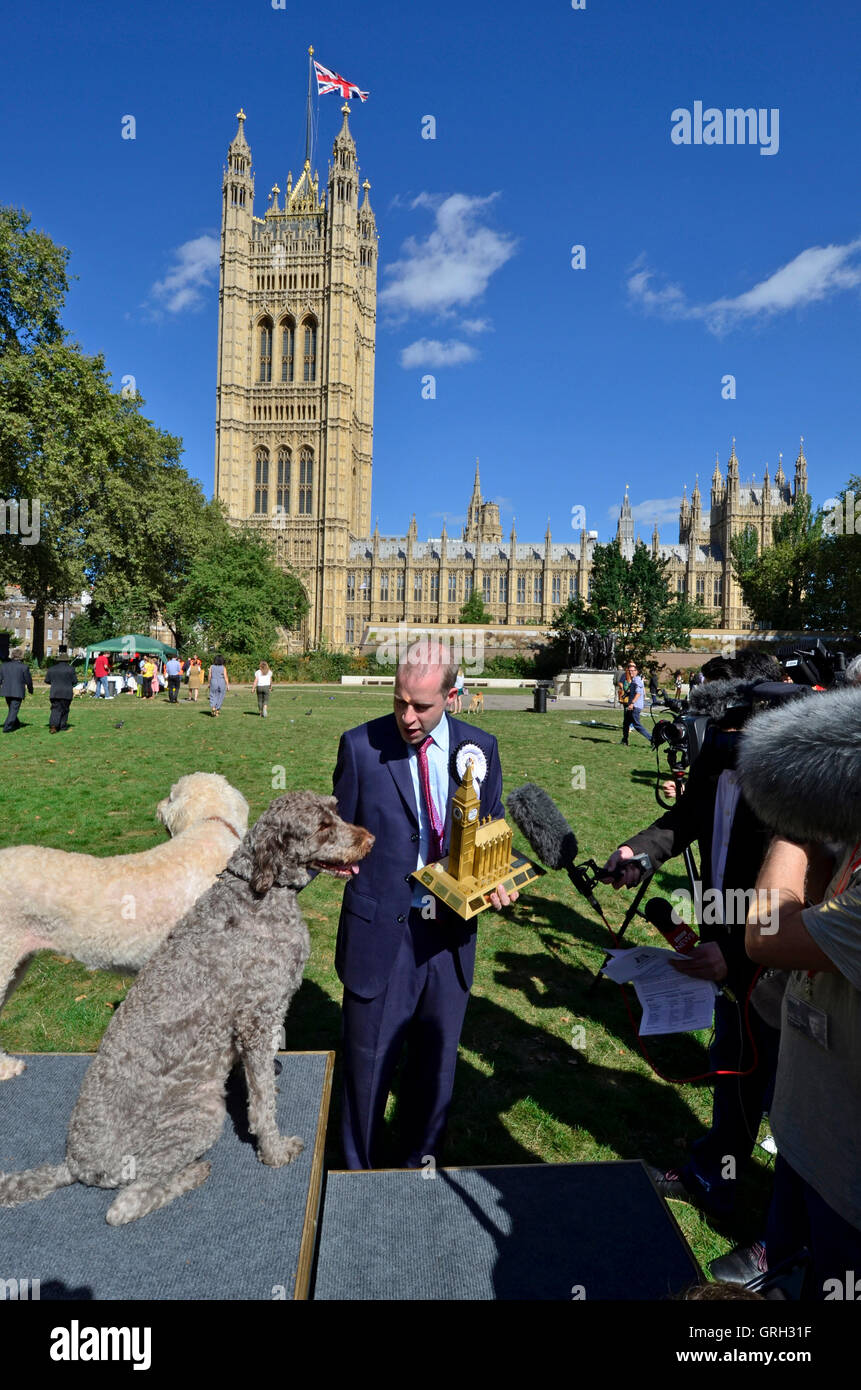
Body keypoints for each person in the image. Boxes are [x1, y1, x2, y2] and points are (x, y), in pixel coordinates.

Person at [600, 681, 784, 1218]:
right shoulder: (715, 759)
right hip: (724, 949)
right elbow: (683, 821)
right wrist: (639, 852)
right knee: (733, 1064)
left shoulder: (789, 785)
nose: (717, 746)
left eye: (730, 735)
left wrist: (736, 950)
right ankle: (715, 1170)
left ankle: (789, 1223)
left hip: (772, 962)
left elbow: (795, 892)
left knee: (780, 1084)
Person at [331, 642, 518, 1171]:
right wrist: (334, 859)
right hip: (383, 932)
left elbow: (491, 825)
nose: (408, 718)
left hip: (451, 933)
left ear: (452, 697)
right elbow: (336, 830)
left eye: (421, 706)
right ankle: (358, 1173)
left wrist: (501, 874)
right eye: (399, 703)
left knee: (436, 1068)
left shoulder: (480, 747)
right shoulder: (361, 746)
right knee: (367, 1069)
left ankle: (420, 1167)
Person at [619, 660, 652, 746]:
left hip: (635, 707)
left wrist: (632, 703)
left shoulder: (637, 680)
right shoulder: (634, 680)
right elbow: (633, 692)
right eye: (629, 670)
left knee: (637, 725)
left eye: (632, 670)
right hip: (632, 706)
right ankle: (624, 740)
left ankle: (652, 739)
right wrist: (626, 694)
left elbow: (638, 693)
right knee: (626, 723)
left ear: (636, 671)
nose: (631, 672)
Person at [0, 651, 33, 732]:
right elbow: (28, 680)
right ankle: (7, 727)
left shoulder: (3, 666)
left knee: (12, 709)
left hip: (6, 691)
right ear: (21, 657)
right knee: (14, 709)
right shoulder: (24, 667)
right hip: (18, 691)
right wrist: (30, 689)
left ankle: (16, 723)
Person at [45, 657, 77, 732]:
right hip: (67, 692)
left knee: (55, 708)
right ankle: (62, 726)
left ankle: (54, 725)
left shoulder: (52, 669)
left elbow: (47, 680)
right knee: (65, 709)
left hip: (55, 691)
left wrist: (54, 683)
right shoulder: (71, 669)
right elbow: (75, 681)